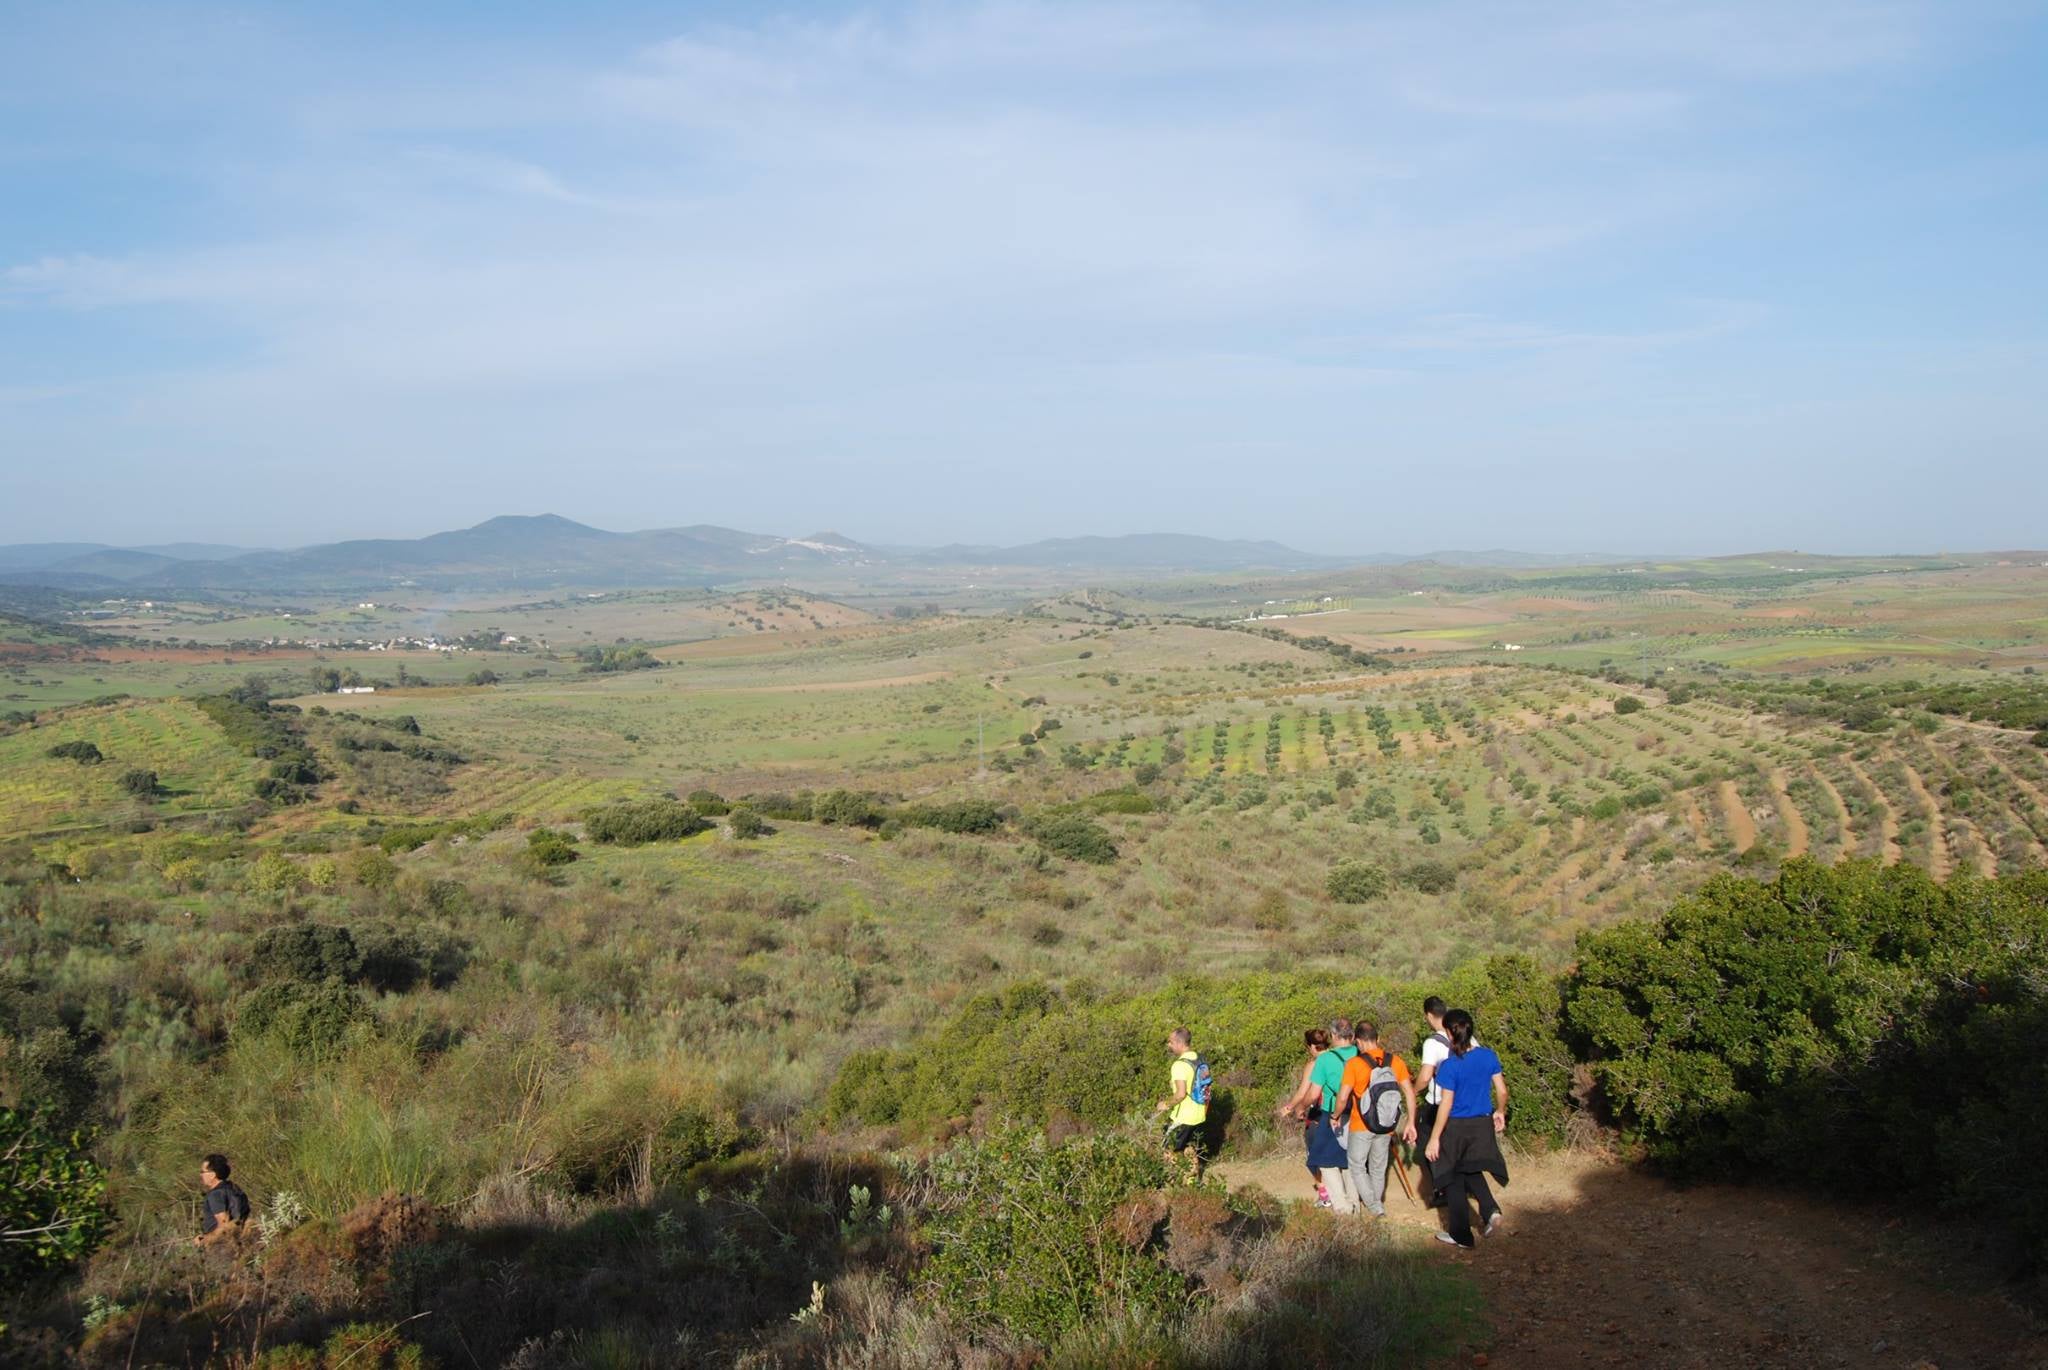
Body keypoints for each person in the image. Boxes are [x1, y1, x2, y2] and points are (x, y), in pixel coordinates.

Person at [1422, 1009, 1509, 1249]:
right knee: (1470, 1169)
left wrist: (1434, 1138)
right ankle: (1491, 1212)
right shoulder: (1488, 1055)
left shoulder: (1450, 1066)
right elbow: (1501, 1090)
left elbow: (1446, 1104)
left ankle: (1461, 1235)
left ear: (1450, 1033)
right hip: (1482, 1123)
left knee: (1452, 1178)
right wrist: (1500, 1111)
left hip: (1457, 1127)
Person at [1331, 1020, 1418, 1217]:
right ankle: (1376, 1204)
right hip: (1386, 1123)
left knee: (1357, 1165)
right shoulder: (1395, 1061)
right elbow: (1409, 1092)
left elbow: (1343, 1097)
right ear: (1378, 1039)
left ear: (1357, 1041)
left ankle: (1374, 1206)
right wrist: (1411, 1121)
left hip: (1361, 1123)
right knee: (1378, 1167)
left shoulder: (1354, 1064)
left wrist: (1335, 1116)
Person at [1276, 1025, 1355, 1211]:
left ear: (1312, 1046)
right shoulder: (1346, 1055)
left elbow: (1305, 1092)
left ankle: (1325, 1194)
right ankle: (1348, 1195)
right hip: (1349, 1110)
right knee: (1344, 1153)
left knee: (1316, 1155)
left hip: (1322, 1112)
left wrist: (1291, 1108)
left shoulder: (1316, 1063)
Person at [1411, 996, 1453, 1204]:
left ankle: (1442, 1189)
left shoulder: (1432, 1042)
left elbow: (1426, 1076)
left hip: (1437, 1101)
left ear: (1429, 1015)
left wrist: (1413, 1090)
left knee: (1429, 1145)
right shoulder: (1467, 1038)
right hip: (1460, 1103)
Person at [1154, 1027, 1210, 1169]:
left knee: (1168, 1150)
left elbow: (1180, 1094)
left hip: (1182, 1117)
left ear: (1180, 1043)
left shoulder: (1179, 1065)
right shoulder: (1200, 1058)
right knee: (1189, 1149)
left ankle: (1173, 1183)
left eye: (1170, 1042)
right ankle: (1191, 1183)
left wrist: (1165, 1104)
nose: (1169, 1045)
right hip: (1199, 1114)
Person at [193, 1153, 249, 1248]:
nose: (200, 1175)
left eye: (202, 1172)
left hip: (222, 1248)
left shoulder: (215, 1195)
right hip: (241, 1243)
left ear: (212, 1175)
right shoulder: (235, 1189)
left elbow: (224, 1225)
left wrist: (205, 1239)